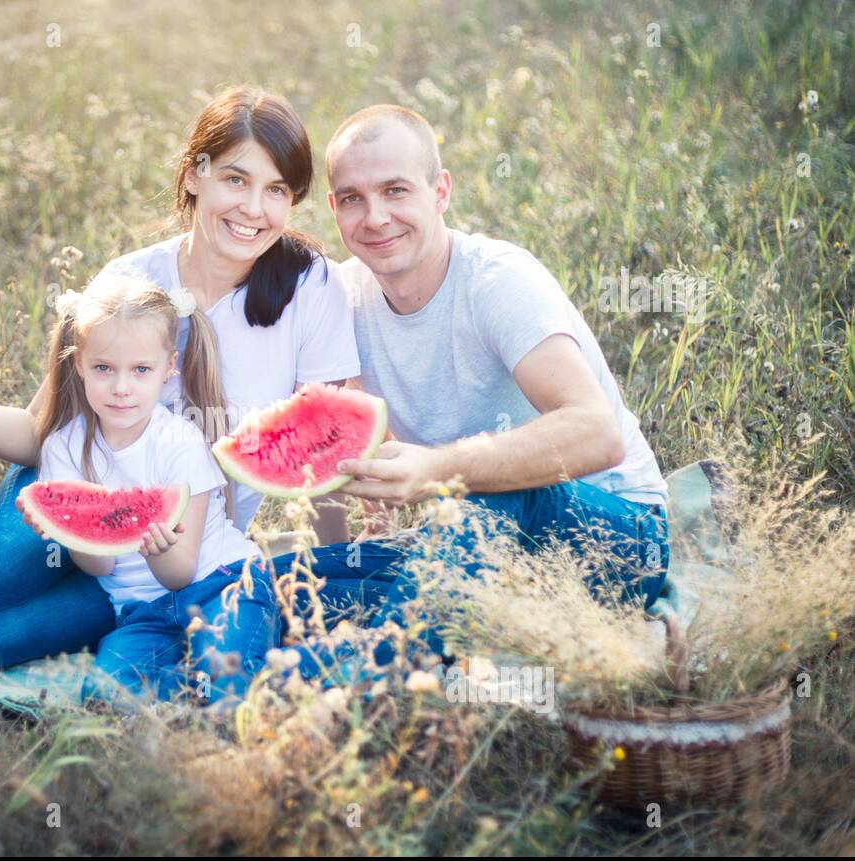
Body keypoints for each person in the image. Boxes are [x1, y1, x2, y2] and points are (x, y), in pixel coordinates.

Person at [0, 85, 359, 697]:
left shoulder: (310, 289)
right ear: (192, 178)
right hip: (77, 474)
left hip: (163, 561)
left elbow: (316, 452)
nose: (254, 208)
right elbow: (39, 431)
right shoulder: (131, 281)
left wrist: (332, 581)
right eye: (236, 180)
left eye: (277, 190)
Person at [274, 104, 670, 678]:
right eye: (353, 198)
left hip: (615, 537)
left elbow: (597, 432)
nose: (376, 216)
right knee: (275, 584)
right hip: (473, 543)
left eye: (395, 190)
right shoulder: (340, 296)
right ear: (334, 208)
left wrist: (437, 468)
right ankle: (339, 648)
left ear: (441, 192)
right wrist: (327, 564)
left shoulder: (498, 280)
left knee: (494, 490)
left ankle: (350, 674)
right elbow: (332, 449)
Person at [20, 275, 275, 710]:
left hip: (226, 582)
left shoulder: (180, 443)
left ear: (168, 368)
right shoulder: (61, 447)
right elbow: (99, 565)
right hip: (142, 614)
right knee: (105, 696)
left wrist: (156, 550)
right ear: (79, 363)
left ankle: (232, 690)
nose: (122, 387)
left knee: (225, 680)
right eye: (104, 368)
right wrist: (69, 529)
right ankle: (203, 688)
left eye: (141, 370)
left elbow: (179, 571)